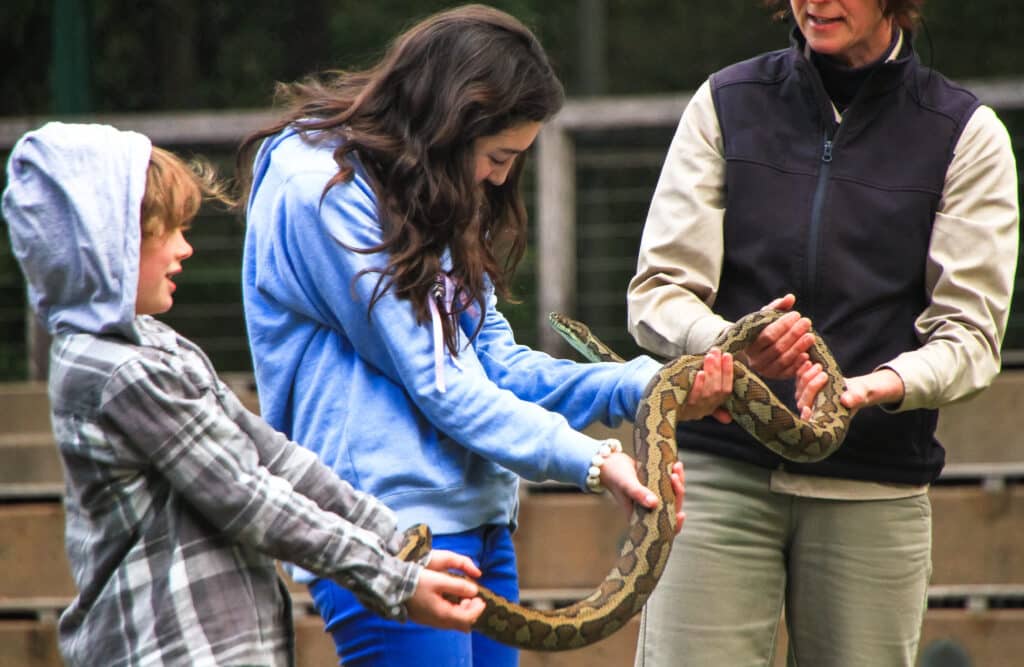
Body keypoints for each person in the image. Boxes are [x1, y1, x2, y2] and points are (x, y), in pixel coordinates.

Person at [237, 5, 732, 666]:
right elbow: (441, 379)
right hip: (393, 526)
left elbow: (494, 363)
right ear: (453, 121)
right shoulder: (319, 190)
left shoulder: (428, 186)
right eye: (498, 156)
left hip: (482, 518)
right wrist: (592, 459)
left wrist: (647, 383)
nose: (500, 179)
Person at [1, 121, 490, 667]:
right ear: (102, 245)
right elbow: (246, 496)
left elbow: (272, 456)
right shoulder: (119, 372)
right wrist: (394, 583)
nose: (185, 249)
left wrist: (398, 542)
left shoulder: (155, 345)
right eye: (164, 232)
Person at [627, 1, 1019, 665]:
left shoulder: (966, 134)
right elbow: (658, 292)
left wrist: (877, 386)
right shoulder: (726, 102)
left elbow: (971, 337)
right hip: (719, 472)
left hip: (874, 487)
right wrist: (730, 345)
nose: (815, 2)